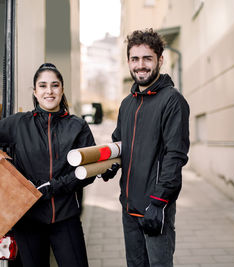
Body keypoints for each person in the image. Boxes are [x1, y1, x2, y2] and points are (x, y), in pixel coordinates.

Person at [0, 63, 95, 267]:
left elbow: (87, 173)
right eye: (42, 86)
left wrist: (53, 187)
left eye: (54, 85)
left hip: (66, 218)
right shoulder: (18, 124)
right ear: (35, 91)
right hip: (28, 219)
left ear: (62, 89)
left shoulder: (78, 126)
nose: (49, 91)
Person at [102, 29, 190, 267]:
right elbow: (119, 143)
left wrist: (159, 202)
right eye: (135, 59)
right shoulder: (127, 104)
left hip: (154, 207)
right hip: (129, 207)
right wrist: (106, 165)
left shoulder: (172, 101)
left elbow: (175, 156)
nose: (140, 65)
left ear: (160, 60)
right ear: (128, 62)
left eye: (147, 58)